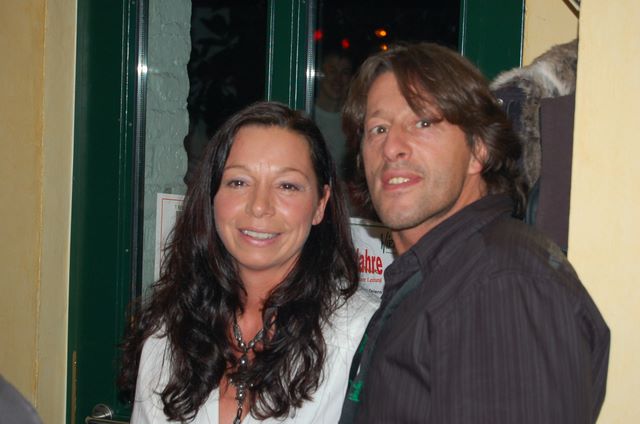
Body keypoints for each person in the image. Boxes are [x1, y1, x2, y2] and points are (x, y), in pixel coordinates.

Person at [338, 43, 610, 423]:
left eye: (423, 122)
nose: (392, 147)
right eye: (378, 129)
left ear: (479, 149)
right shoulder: (445, 276)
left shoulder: (500, 286)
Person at [119, 101, 378, 423]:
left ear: (320, 205)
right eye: (239, 182)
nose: (259, 206)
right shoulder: (169, 331)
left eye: (287, 186)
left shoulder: (363, 335)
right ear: (212, 195)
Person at [314, 49, 354, 180]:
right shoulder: (306, 116)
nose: (338, 78)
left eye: (345, 72)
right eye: (332, 71)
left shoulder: (354, 121)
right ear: (320, 75)